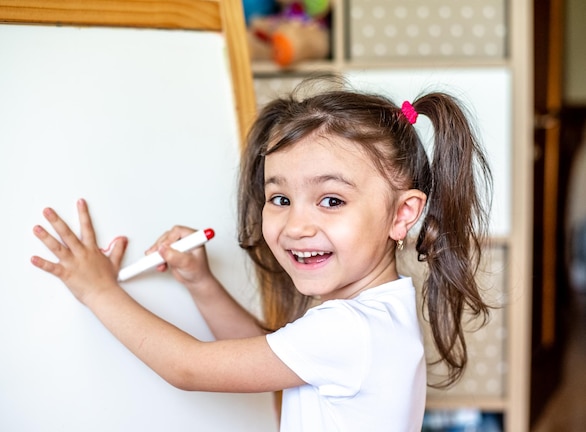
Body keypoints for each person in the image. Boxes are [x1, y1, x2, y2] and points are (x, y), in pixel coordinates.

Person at [31, 75, 492, 431]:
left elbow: (187, 367)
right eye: (280, 199)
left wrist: (98, 290)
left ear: (402, 214)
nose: (296, 225)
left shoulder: (347, 330)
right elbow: (270, 359)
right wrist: (201, 283)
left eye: (331, 200)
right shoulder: (374, 314)